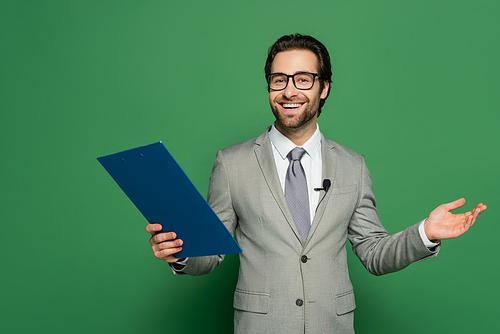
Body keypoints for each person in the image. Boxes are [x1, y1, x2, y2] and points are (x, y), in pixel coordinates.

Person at [146, 34, 487, 333]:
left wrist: (425, 232)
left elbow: (373, 253)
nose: (289, 90)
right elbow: (211, 251)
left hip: (332, 326)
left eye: (303, 79)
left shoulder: (353, 166)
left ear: (323, 88)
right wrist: (180, 252)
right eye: (278, 80)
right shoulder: (231, 163)